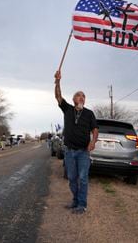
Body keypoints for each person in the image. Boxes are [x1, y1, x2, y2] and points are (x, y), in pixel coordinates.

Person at [54, 70, 99, 214]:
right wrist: (58, 81)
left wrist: (93, 142)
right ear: (74, 99)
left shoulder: (89, 113)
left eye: (83, 96)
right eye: (79, 95)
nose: (82, 98)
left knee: (83, 178)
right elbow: (58, 96)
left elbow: (95, 129)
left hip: (83, 152)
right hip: (69, 151)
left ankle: (82, 204)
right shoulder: (67, 109)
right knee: (72, 178)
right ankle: (75, 200)